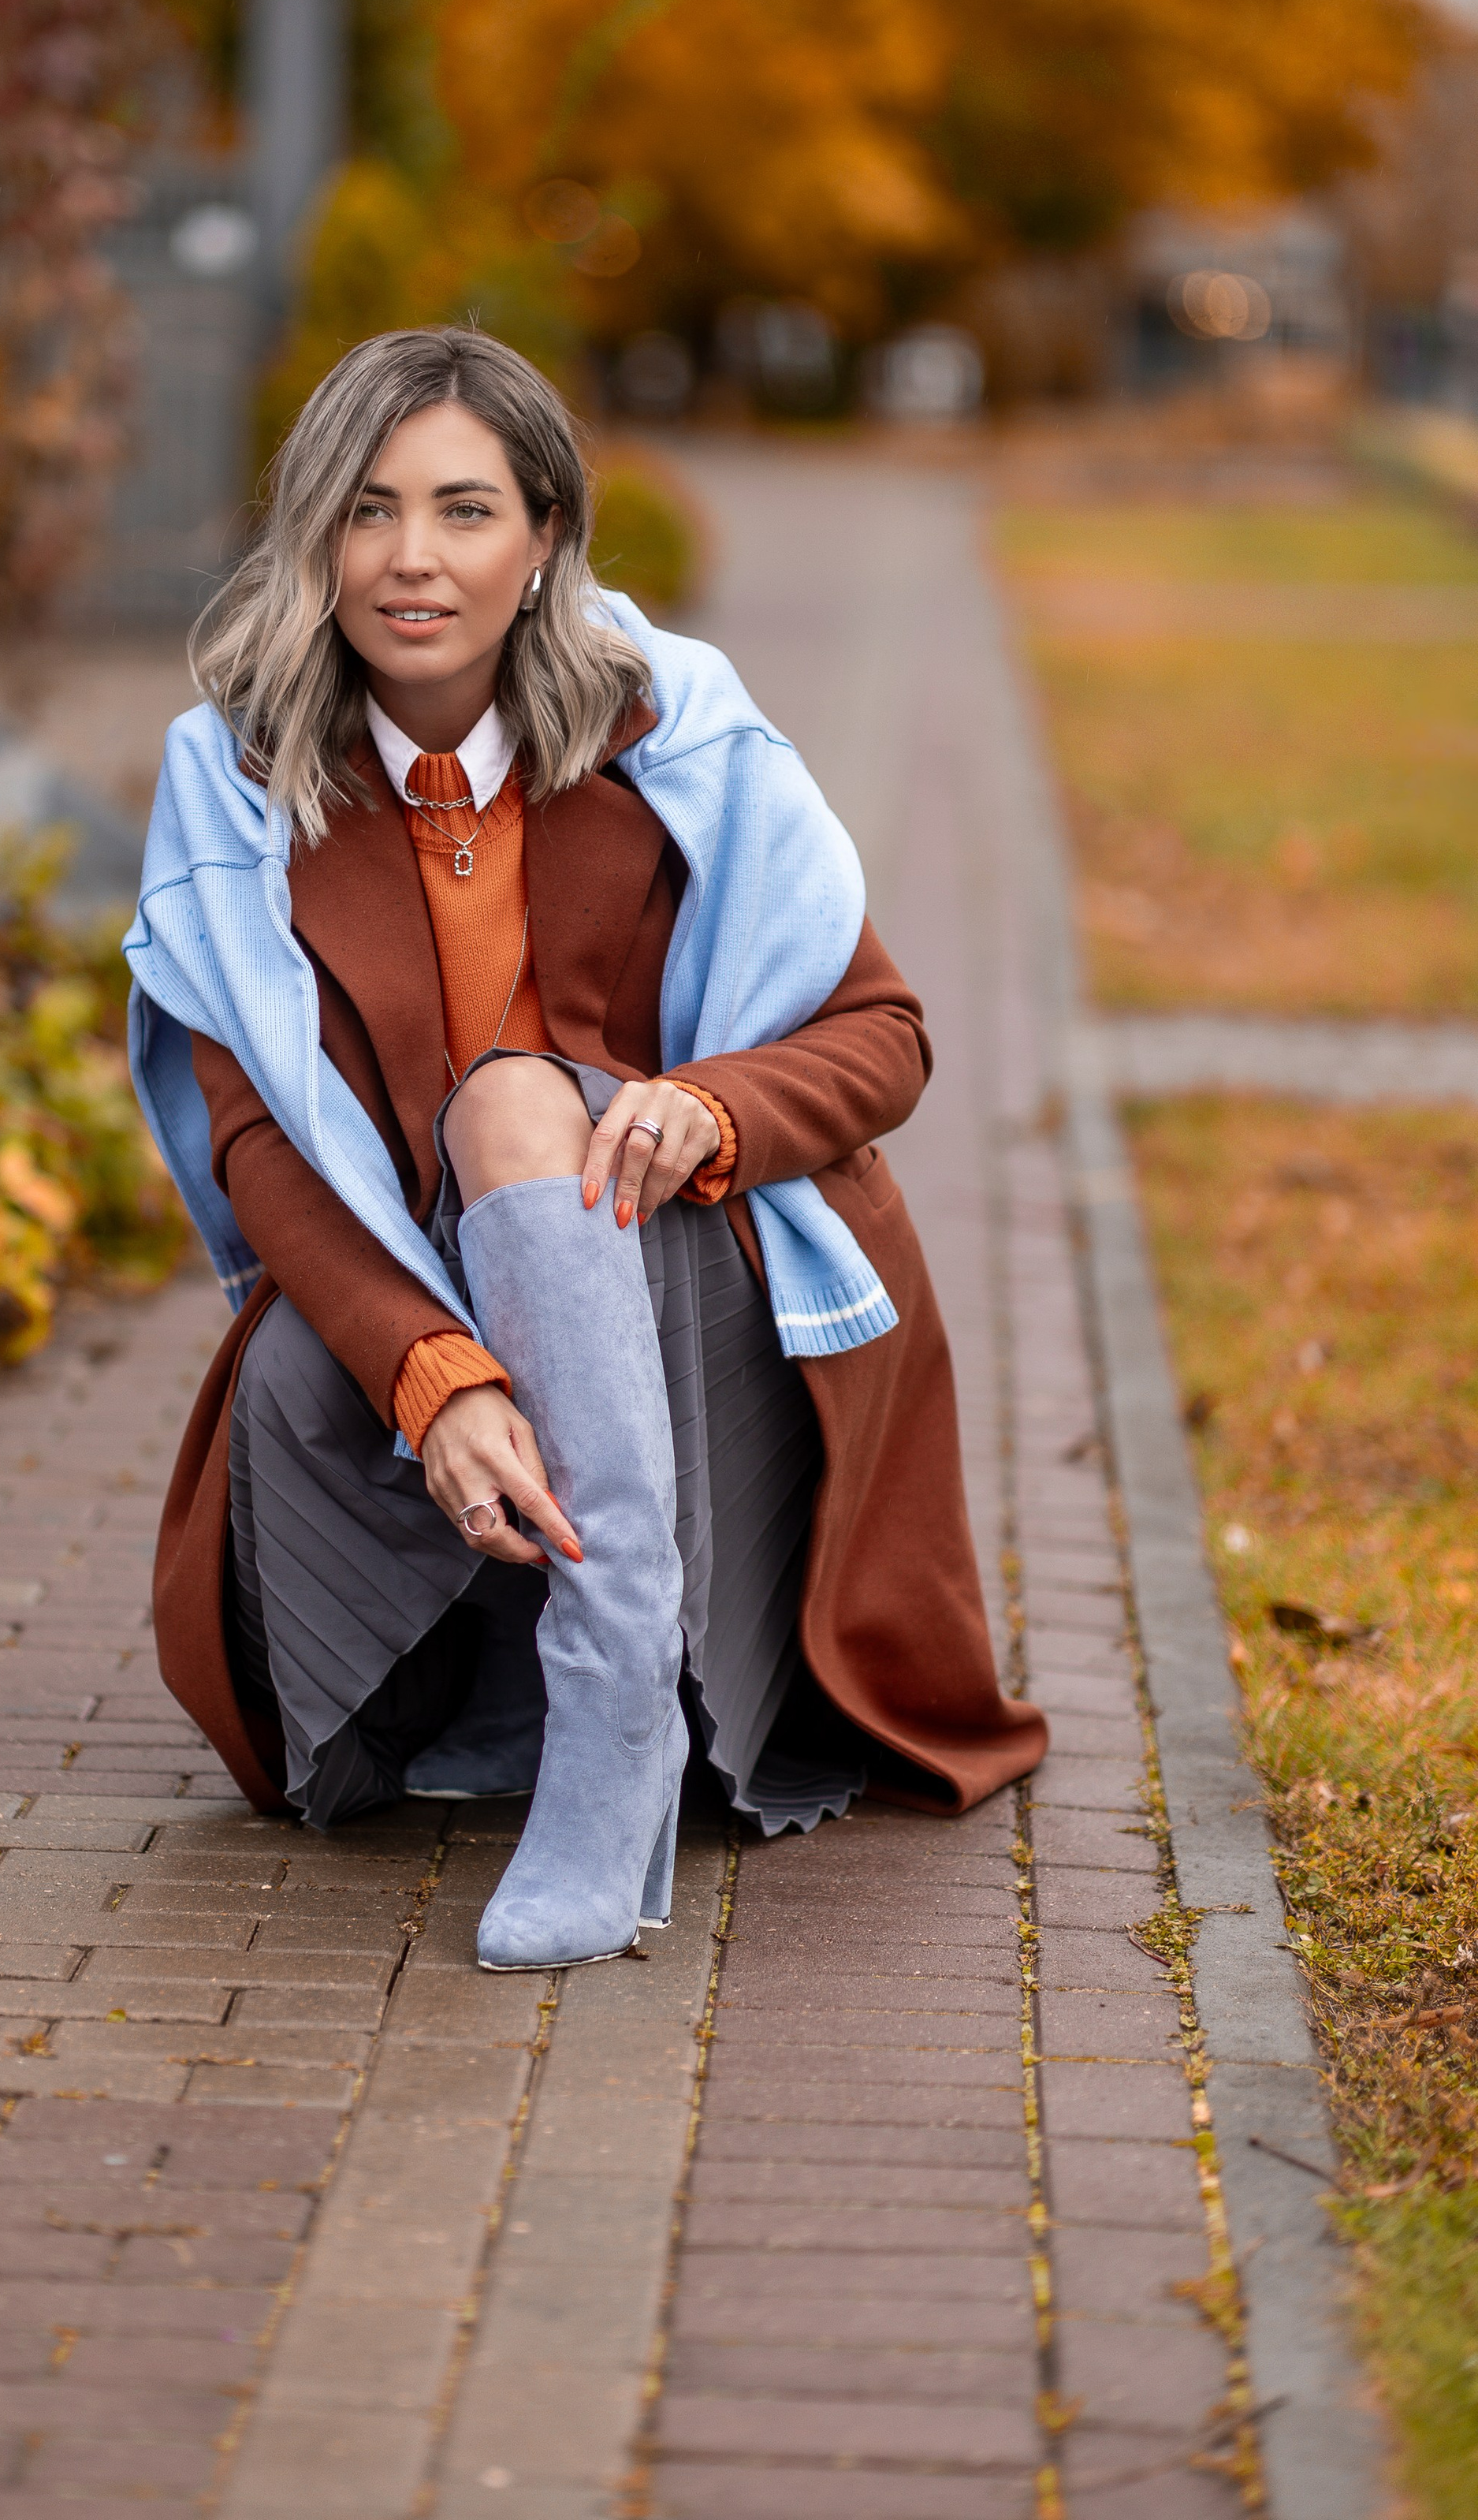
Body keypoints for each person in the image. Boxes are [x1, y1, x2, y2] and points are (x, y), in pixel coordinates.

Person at [125, 326, 1044, 1974]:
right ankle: (479, 1701)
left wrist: (715, 1109)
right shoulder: (234, 778)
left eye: (464, 509)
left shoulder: (673, 733)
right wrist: (434, 1377)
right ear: (312, 537)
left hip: (689, 1235)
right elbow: (260, 1144)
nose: (411, 558)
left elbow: (883, 1036)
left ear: (545, 536)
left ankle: (616, 1687)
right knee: (314, 1360)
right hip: (419, 1260)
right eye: (367, 509)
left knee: (509, 1098)